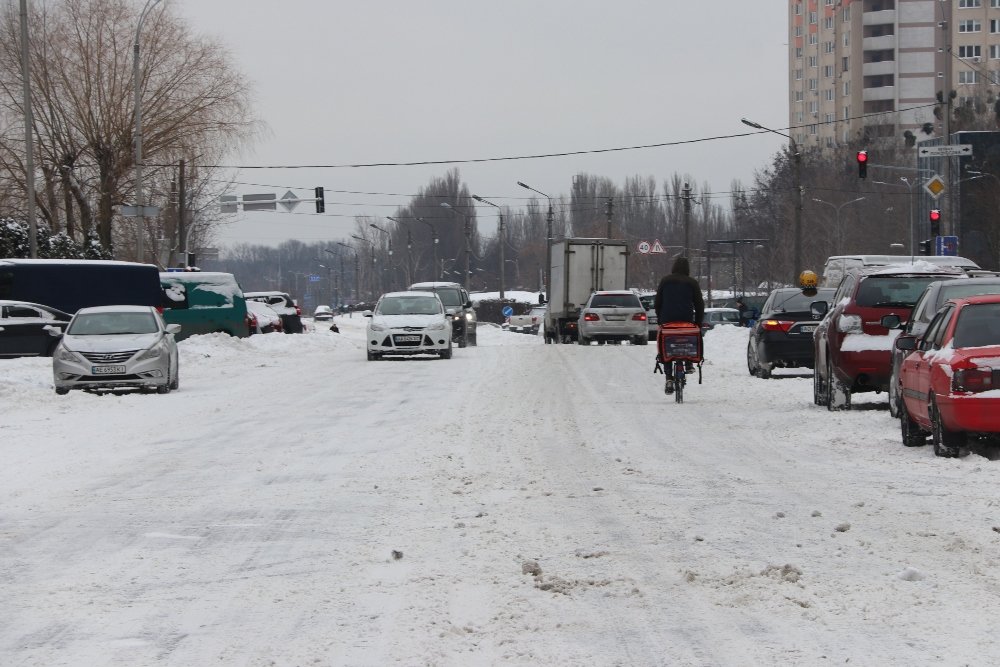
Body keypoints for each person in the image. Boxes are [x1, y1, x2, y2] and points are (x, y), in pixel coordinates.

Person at [654, 256, 705, 390]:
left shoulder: (665, 281)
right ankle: (688, 363)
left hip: (667, 320)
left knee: (666, 345)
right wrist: (698, 323)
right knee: (687, 338)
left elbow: (658, 302)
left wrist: (660, 319)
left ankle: (668, 377)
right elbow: (699, 305)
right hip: (686, 319)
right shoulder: (692, 282)